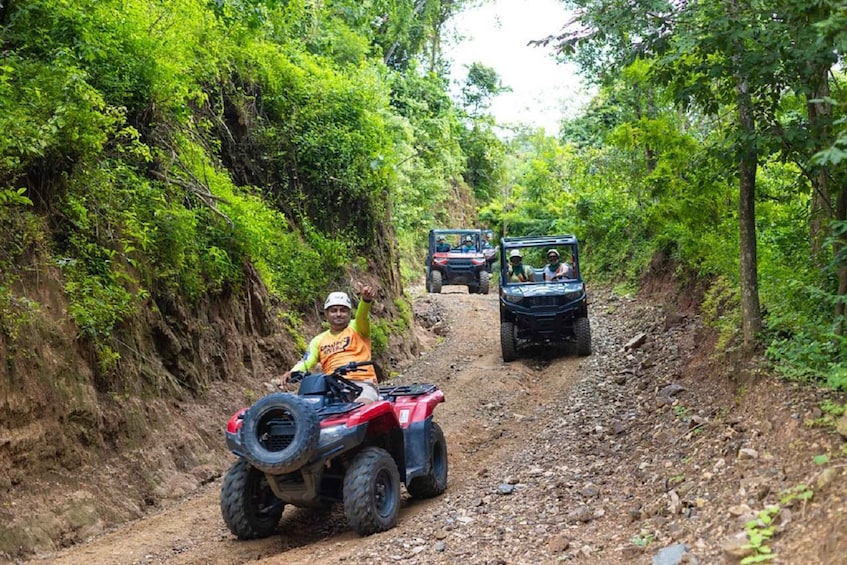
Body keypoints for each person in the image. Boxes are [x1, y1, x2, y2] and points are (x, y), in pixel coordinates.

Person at [281, 286, 380, 403]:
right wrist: (293, 371)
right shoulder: (318, 340)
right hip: (332, 387)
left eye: (343, 310)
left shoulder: (357, 328)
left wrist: (365, 301)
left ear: (349, 313)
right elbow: (307, 361)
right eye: (334, 310)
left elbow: (362, 316)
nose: (338, 314)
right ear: (326, 314)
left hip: (362, 383)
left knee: (361, 407)